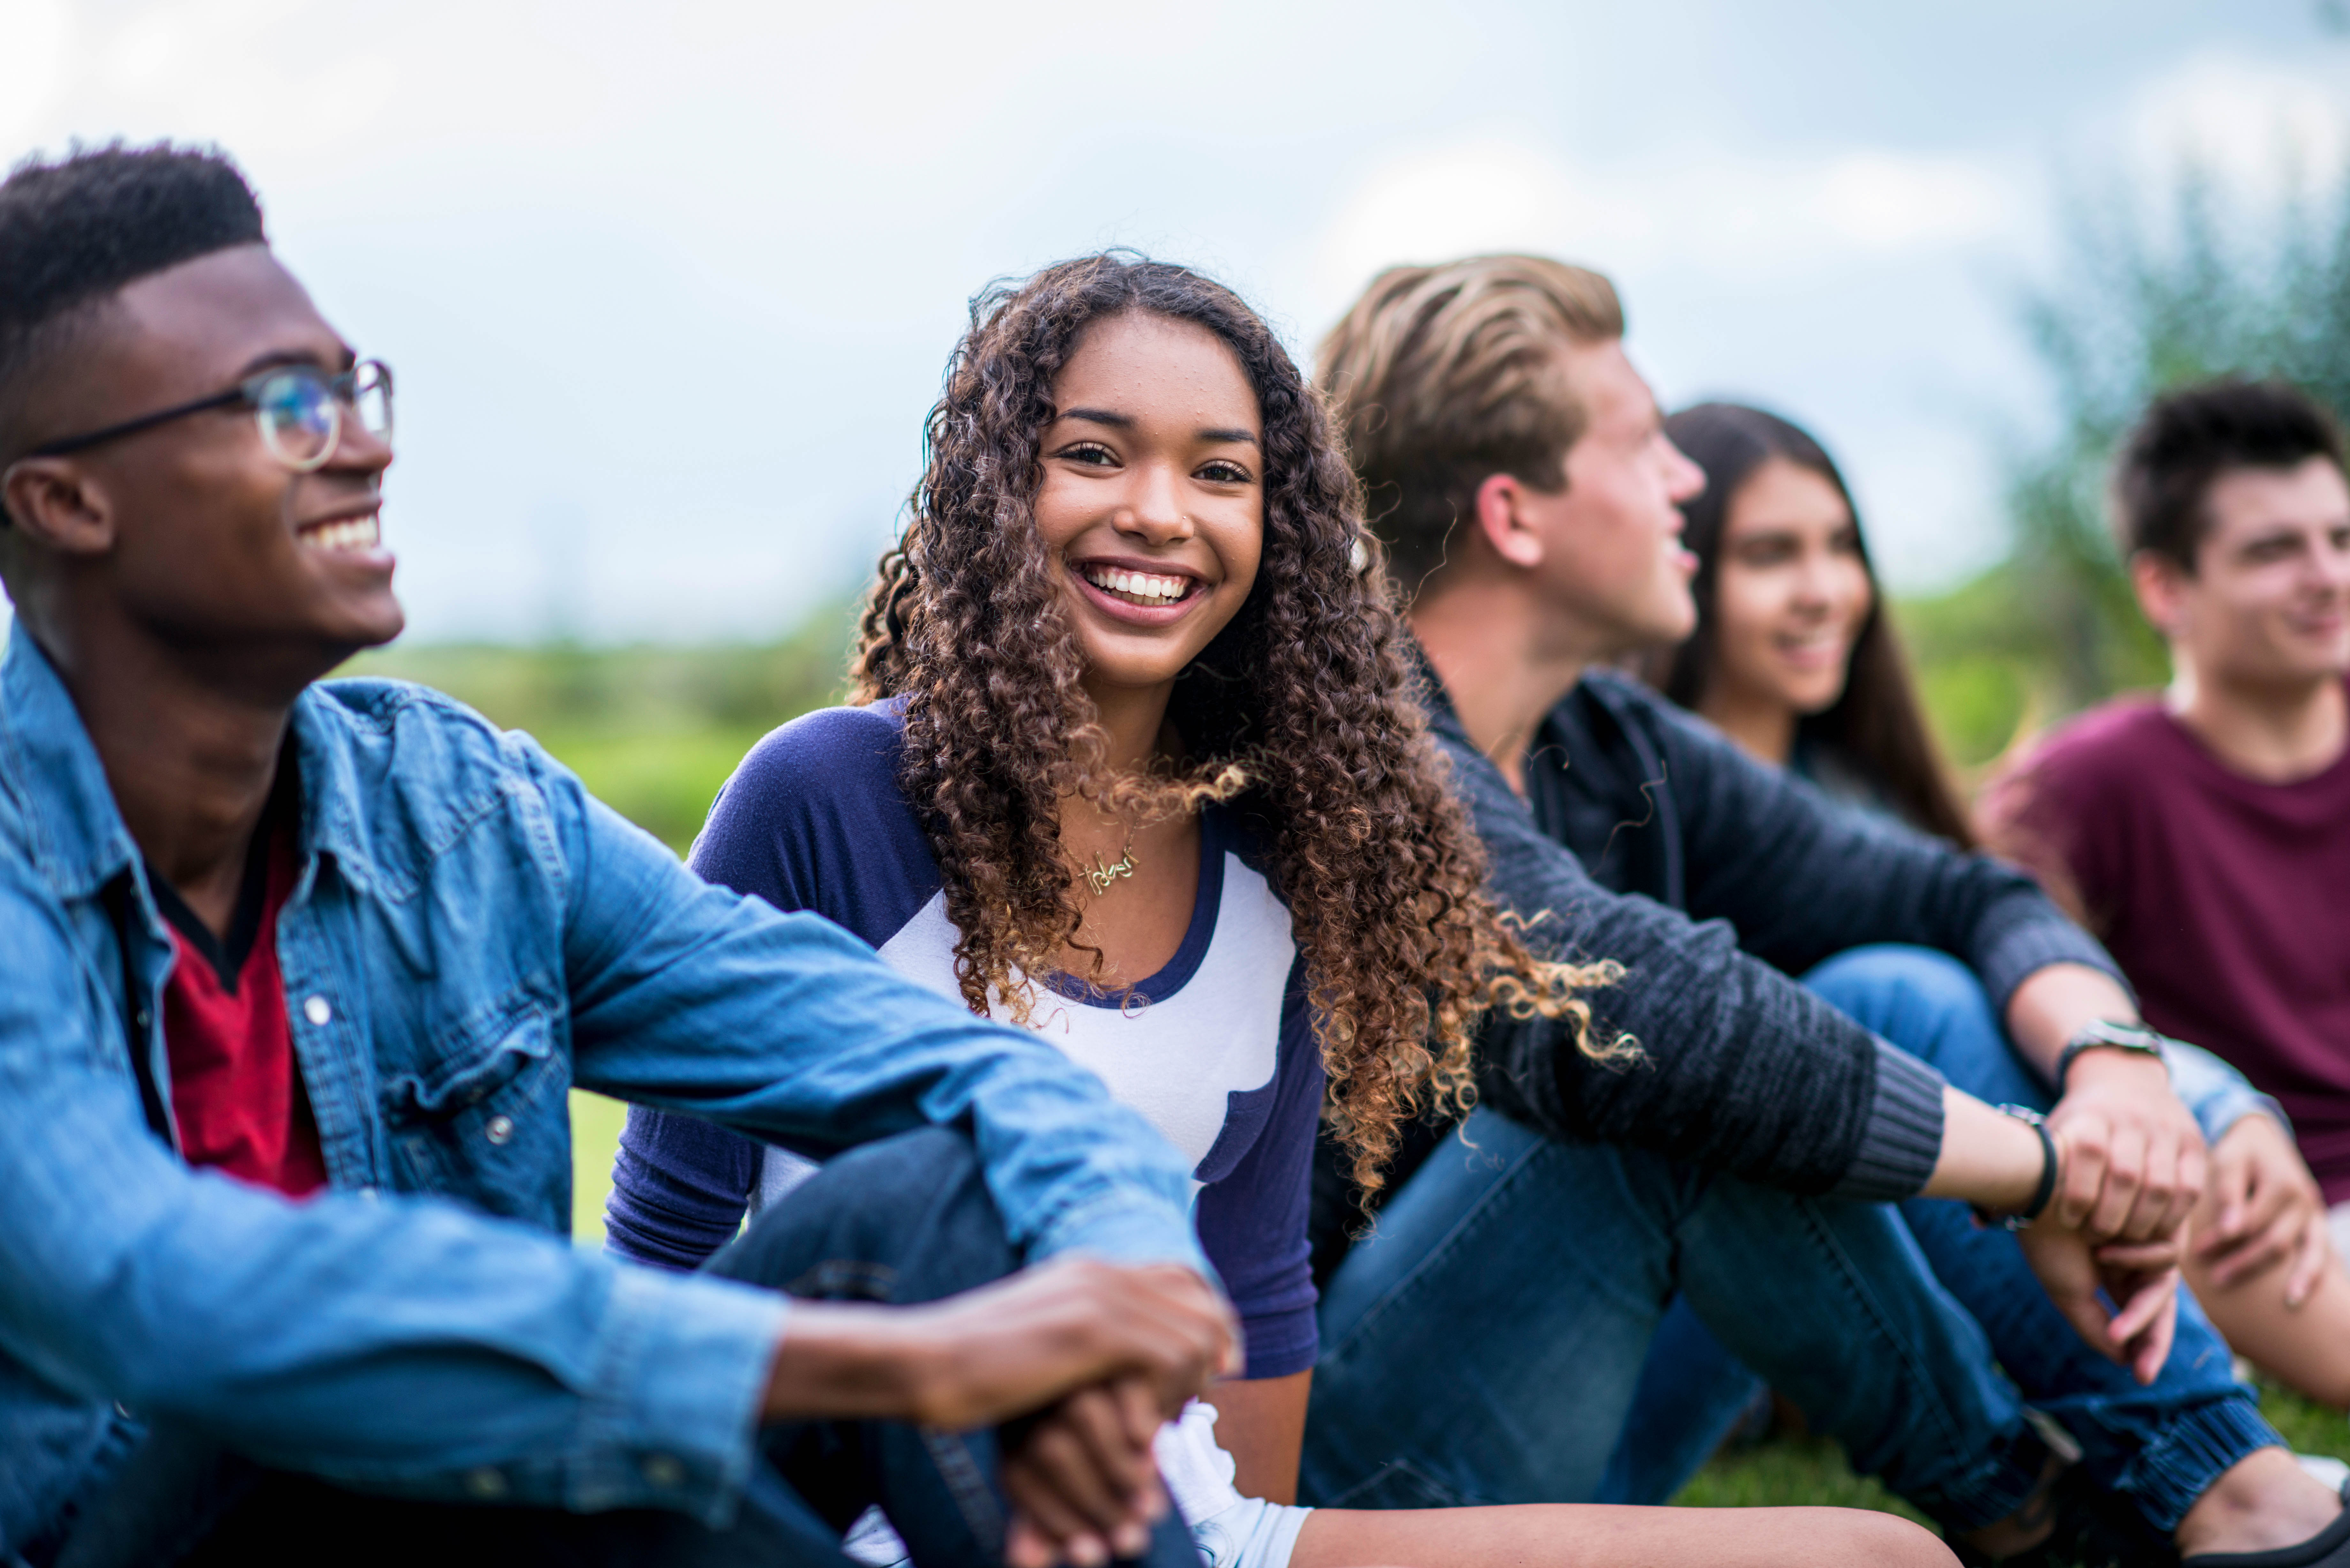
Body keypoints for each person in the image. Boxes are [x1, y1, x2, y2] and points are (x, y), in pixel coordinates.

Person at [0, 143, 1247, 1568]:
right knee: (412, 1409)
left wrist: (1117, 1285)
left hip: (494, 1511)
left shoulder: (463, 818)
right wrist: (894, 1364)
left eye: (353, 390)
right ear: (67, 503)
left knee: (935, 1198)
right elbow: (174, 1293)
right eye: (285, 405)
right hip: (166, 1531)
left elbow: (955, 1068)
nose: (363, 442)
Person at [610, 253, 1961, 1567]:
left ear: (1279, 527)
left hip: (1191, 1526)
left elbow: (1253, 1300)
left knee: (1882, 1555)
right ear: (992, 488)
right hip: (868, 1520)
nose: (1159, 511)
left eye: (1219, 472)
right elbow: (667, 1253)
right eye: (1093, 454)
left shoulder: (1284, 845)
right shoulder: (824, 797)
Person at [1307, 254, 2350, 1565]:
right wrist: (2041, 1171)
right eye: (1641, 447)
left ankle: (2235, 1491)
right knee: (1649, 1090)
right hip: (1357, 1479)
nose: (1683, 475)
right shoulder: (1356, 749)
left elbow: (1954, 890)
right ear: (1516, 515)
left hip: (1587, 1408)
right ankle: (2036, 1518)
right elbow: (1623, 1000)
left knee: (1891, 986)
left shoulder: (1604, 735)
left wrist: (2119, 1068)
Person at [1642, 395, 2350, 1419]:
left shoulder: (1870, 807)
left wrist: (2216, 1105)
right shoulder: (1624, 800)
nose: (1825, 590)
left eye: (1842, 547)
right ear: (1683, 560)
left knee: (2099, 1116)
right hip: (1724, 1279)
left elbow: (2008, 961)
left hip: (1935, 1234)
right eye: (1769, 554)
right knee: (1901, 998)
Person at [1982, 378, 2350, 1407]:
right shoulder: (2084, 785)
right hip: (2253, 1214)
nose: (2326, 577)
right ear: (2165, 590)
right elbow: (1997, 979)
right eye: (2274, 551)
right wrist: (2217, 1107)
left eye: (2340, 538)